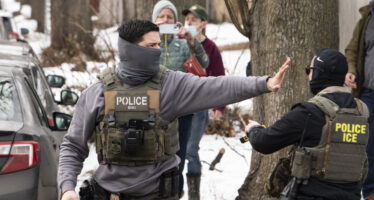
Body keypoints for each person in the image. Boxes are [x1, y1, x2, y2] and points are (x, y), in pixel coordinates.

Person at [59, 19, 290, 200]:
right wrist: (67, 187)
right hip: (111, 194)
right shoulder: (97, 93)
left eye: (159, 44)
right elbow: (73, 145)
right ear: (129, 50)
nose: (158, 51)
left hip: (160, 194)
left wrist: (264, 83)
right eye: (151, 46)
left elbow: (217, 86)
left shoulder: (171, 85)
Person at [245, 49, 369, 200]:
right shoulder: (363, 112)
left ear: (318, 73)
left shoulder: (309, 112)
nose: (308, 75)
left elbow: (264, 142)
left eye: (309, 70)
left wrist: (253, 129)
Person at [152, 1, 210, 198]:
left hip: (182, 111)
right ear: (154, 21)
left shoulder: (183, 43)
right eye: (162, 17)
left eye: (170, 17)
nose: (166, 21)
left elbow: (205, 63)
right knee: (154, 158)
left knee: (179, 158)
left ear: (176, 22)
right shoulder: (149, 44)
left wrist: (192, 40)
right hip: (154, 111)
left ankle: (175, 194)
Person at [182, 4, 226, 199]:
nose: (189, 22)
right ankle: (174, 188)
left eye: (194, 19)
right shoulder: (178, 43)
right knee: (175, 150)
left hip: (199, 106)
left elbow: (219, 78)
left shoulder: (210, 48)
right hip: (178, 105)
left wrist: (219, 106)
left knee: (191, 149)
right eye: (187, 19)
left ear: (203, 24)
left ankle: (194, 193)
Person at [345, 1, 374, 199]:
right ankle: (373, 194)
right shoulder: (366, 20)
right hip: (371, 96)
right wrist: (351, 71)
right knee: (369, 150)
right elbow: (352, 51)